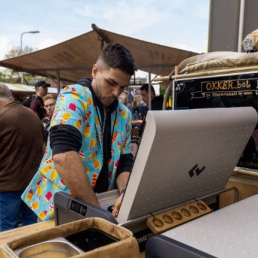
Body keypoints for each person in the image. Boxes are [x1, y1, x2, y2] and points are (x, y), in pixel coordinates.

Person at [22, 42, 136, 221]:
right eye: (111, 83)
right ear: (95, 71)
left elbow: (124, 159)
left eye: (122, 87)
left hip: (102, 202)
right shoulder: (73, 96)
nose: (116, 93)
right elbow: (64, 155)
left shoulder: (124, 114)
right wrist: (98, 213)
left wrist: (125, 193)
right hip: (60, 207)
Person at [0, 83, 45, 232]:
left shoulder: (3, 117)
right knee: (30, 228)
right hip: (32, 184)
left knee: (7, 231)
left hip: (7, 186)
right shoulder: (31, 115)